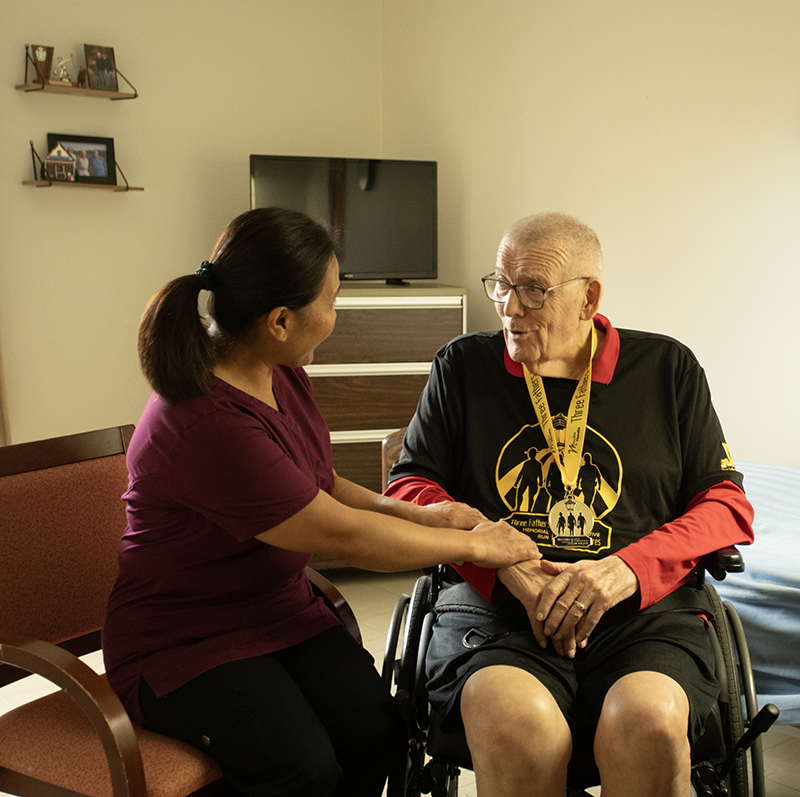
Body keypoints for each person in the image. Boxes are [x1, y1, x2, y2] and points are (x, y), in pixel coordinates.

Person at [102, 207, 539, 797]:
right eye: (331, 302)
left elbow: (320, 482)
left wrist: (419, 513)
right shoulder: (206, 422)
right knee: (302, 769)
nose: (337, 316)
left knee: (378, 731)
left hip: (275, 612)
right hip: (185, 642)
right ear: (280, 319)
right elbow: (339, 535)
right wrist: (473, 546)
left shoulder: (277, 370)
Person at [385, 211, 755, 797]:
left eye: (533, 290)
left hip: (641, 614)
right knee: (512, 723)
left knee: (649, 722)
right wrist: (501, 559)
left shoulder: (667, 369)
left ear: (589, 299)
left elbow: (726, 504)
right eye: (501, 285)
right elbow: (408, 488)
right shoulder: (462, 367)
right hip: (497, 609)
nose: (508, 307)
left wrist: (624, 570)